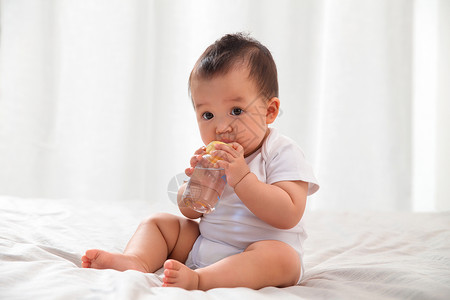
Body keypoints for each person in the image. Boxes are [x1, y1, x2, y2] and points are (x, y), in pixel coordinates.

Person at [82, 32, 319, 290]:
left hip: (258, 253)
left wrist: (242, 178)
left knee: (282, 258)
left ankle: (201, 279)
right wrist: (196, 187)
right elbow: (191, 211)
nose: (221, 127)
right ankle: (137, 260)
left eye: (236, 111)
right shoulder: (212, 157)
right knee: (159, 223)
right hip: (204, 245)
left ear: (270, 111)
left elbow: (289, 214)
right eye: (208, 114)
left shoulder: (281, 152)